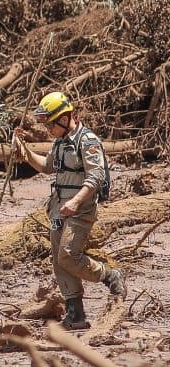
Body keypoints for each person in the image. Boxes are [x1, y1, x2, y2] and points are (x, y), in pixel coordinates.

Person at [14, 91, 125, 330]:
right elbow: (46, 166)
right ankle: (76, 314)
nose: (47, 130)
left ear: (65, 118)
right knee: (58, 258)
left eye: (50, 124)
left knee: (68, 254)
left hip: (80, 209)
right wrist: (24, 152)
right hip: (57, 210)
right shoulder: (60, 142)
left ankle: (108, 274)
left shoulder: (88, 141)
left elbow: (96, 176)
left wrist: (75, 202)